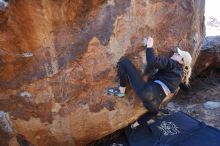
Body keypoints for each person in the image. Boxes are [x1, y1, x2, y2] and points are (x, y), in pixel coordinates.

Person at [108, 36, 192, 118]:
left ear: (181, 61)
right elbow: (184, 87)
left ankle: (121, 91)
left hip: (148, 92)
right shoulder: (180, 74)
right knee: (151, 113)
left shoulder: (172, 63)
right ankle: (150, 117)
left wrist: (149, 46)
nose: (174, 53)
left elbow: (152, 62)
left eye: (177, 54)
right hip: (154, 104)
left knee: (124, 62)